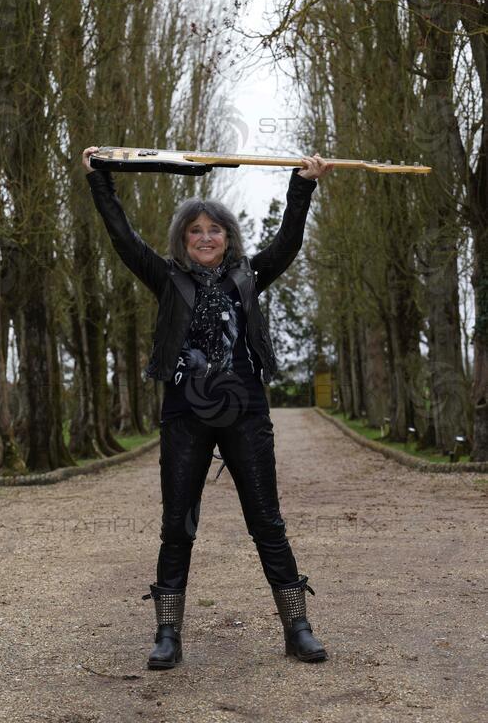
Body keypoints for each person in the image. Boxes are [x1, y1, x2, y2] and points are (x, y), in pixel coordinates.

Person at [82, 145, 333, 670]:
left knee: (267, 522)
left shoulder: (249, 276)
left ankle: (298, 628)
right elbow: (123, 238)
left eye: (213, 230)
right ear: (183, 239)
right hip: (184, 416)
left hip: (246, 413)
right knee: (178, 524)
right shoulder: (166, 277)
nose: (204, 238)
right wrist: (99, 180)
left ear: (228, 238)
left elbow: (287, 244)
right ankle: (168, 634)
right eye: (194, 231)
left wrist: (302, 184)